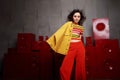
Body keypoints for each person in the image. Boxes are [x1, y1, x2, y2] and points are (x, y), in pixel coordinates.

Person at [46, 9, 86, 80]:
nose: (76, 18)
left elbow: (79, 38)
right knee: (64, 68)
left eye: (78, 17)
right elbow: (60, 33)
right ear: (72, 17)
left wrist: (80, 46)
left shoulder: (81, 28)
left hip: (80, 47)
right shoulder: (68, 24)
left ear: (80, 18)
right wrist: (52, 41)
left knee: (80, 68)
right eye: (75, 16)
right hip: (71, 47)